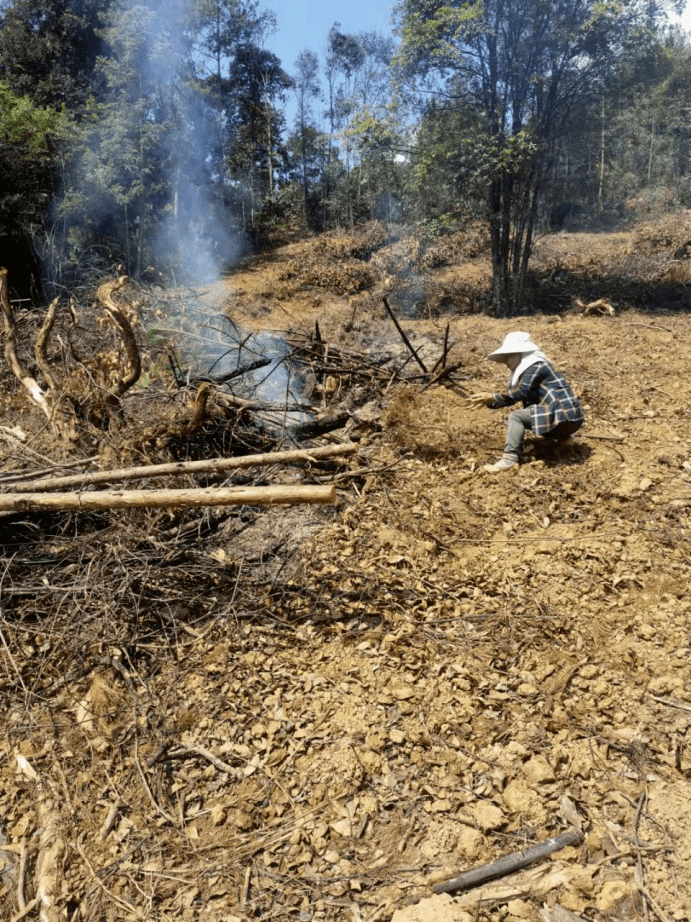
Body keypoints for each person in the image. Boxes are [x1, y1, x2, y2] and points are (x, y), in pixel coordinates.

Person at [468, 331, 583, 473]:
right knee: (529, 417)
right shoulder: (532, 368)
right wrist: (489, 402)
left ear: (520, 354)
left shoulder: (534, 366)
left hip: (563, 415)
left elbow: (519, 393)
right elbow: (512, 399)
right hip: (572, 419)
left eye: (508, 356)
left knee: (516, 417)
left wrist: (493, 397)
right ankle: (565, 439)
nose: (506, 362)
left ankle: (509, 459)